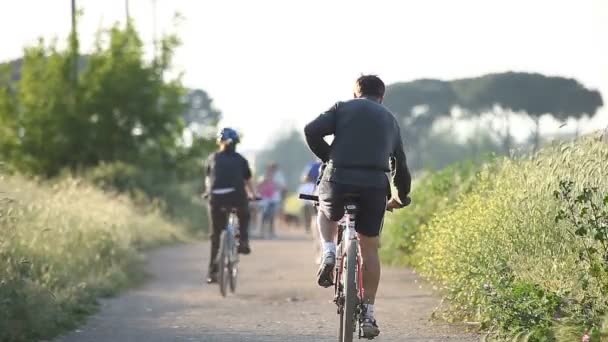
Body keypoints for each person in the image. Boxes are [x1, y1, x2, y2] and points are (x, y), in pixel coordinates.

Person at [303, 75, 411, 338]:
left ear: (355, 93)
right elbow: (400, 164)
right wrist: (402, 196)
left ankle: (328, 251)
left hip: (338, 179)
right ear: (382, 96)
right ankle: (369, 312)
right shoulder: (390, 120)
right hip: (374, 186)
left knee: (325, 208)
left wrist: (329, 157)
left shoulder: (342, 107)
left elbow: (311, 130)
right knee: (369, 246)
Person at [205, 128, 257, 284]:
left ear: (219, 143)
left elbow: (208, 178)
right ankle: (243, 241)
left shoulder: (212, 158)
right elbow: (247, 181)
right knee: (244, 213)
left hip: (215, 197)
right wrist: (253, 195)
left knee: (215, 235)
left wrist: (207, 192)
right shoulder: (241, 160)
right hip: (236, 196)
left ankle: (212, 273)